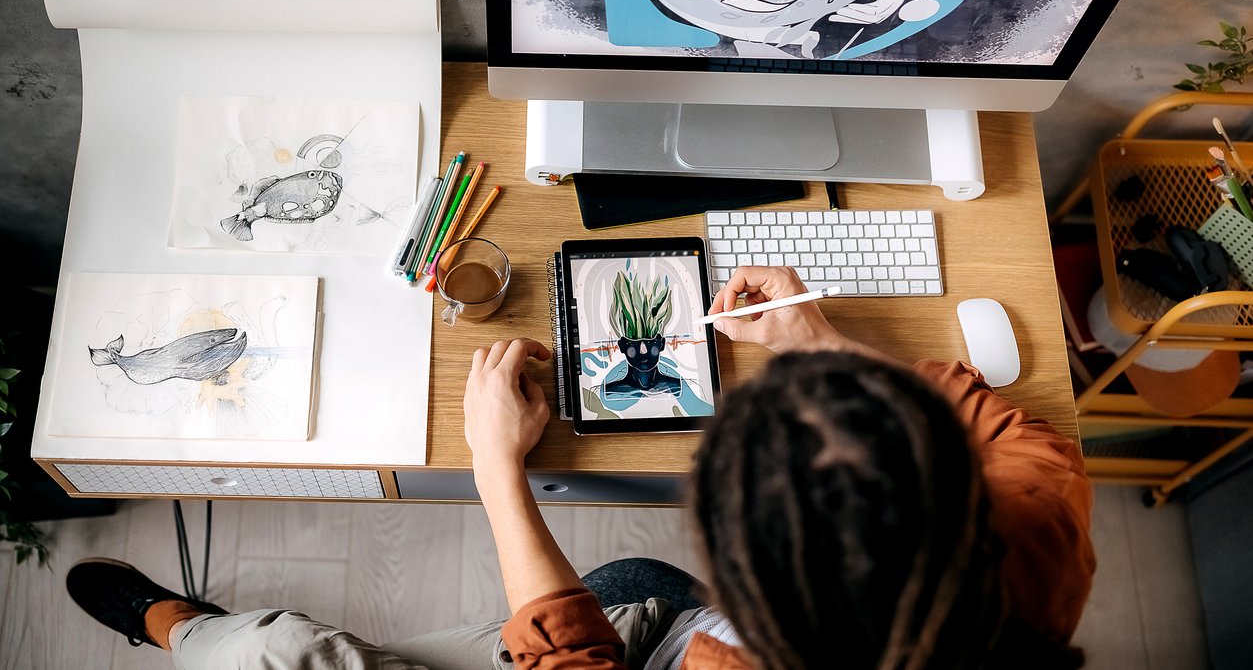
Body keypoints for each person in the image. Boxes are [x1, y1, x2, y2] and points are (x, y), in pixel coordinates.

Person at [67, 266, 1094, 669]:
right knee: (634, 587)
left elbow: (574, 664)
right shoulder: (1031, 533)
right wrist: (818, 338)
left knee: (277, 658)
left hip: (638, 653)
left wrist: (494, 467)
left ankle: (178, 624)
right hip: (672, 625)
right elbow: (1002, 430)